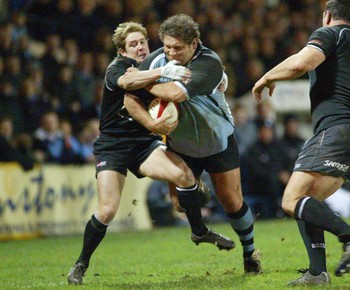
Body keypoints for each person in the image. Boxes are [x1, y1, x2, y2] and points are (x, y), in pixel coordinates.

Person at [67, 21, 233, 285]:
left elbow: (196, 70)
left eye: (142, 42)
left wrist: (219, 79)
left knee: (185, 176)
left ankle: (199, 232)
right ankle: (81, 264)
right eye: (132, 44)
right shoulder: (118, 69)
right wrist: (160, 88)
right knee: (108, 210)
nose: (140, 47)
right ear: (122, 51)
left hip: (144, 144)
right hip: (114, 146)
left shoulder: (157, 62)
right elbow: (128, 88)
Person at [252, 0, 350, 285]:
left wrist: (267, 76)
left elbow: (303, 62)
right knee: (307, 200)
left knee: (291, 200)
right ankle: (317, 273)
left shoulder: (330, 33)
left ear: (327, 15)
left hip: (334, 130)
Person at [124, 14, 262, 274]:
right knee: (178, 204)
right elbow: (128, 93)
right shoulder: (156, 60)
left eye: (178, 48)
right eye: (167, 47)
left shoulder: (209, 63)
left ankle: (249, 252)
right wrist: (151, 123)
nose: (171, 53)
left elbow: (175, 93)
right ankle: (195, 190)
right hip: (181, 145)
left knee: (231, 201)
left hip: (216, 140)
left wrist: (147, 80)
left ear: (194, 44)